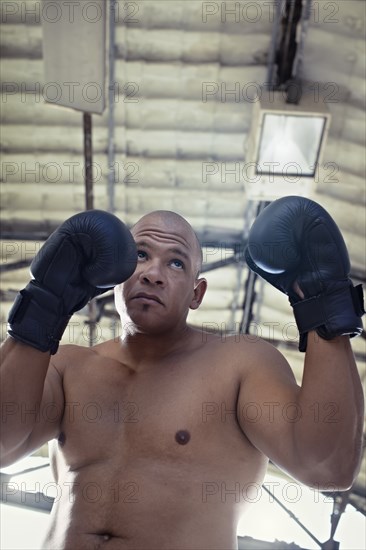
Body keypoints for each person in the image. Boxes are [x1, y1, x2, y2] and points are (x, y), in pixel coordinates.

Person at [0, 197, 364, 550]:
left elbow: (328, 466)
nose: (153, 274)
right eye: (141, 255)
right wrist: (44, 304)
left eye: (176, 264)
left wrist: (322, 301)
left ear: (197, 293)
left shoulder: (239, 364)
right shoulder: (67, 366)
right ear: (114, 273)